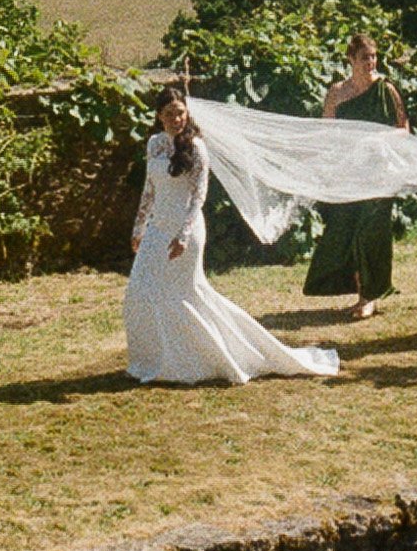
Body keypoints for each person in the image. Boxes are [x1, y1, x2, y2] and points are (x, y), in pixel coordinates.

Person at [126, 89, 340, 384]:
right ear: (159, 116)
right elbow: (149, 190)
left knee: (185, 293)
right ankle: (157, 358)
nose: (176, 119)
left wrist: (183, 236)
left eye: (180, 113)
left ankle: (209, 357)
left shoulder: (197, 148)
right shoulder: (155, 145)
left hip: (184, 228)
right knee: (141, 288)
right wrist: (139, 228)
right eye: (169, 114)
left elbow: (198, 197)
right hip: (156, 227)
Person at [303, 33, 408, 319]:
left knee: (371, 232)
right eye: (364, 57)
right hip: (348, 173)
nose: (370, 62)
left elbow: (403, 130)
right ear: (351, 59)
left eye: (373, 57)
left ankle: (370, 296)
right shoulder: (337, 92)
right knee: (346, 230)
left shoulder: (387, 89)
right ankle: (360, 290)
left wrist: (379, 146)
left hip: (380, 173)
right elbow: (327, 133)